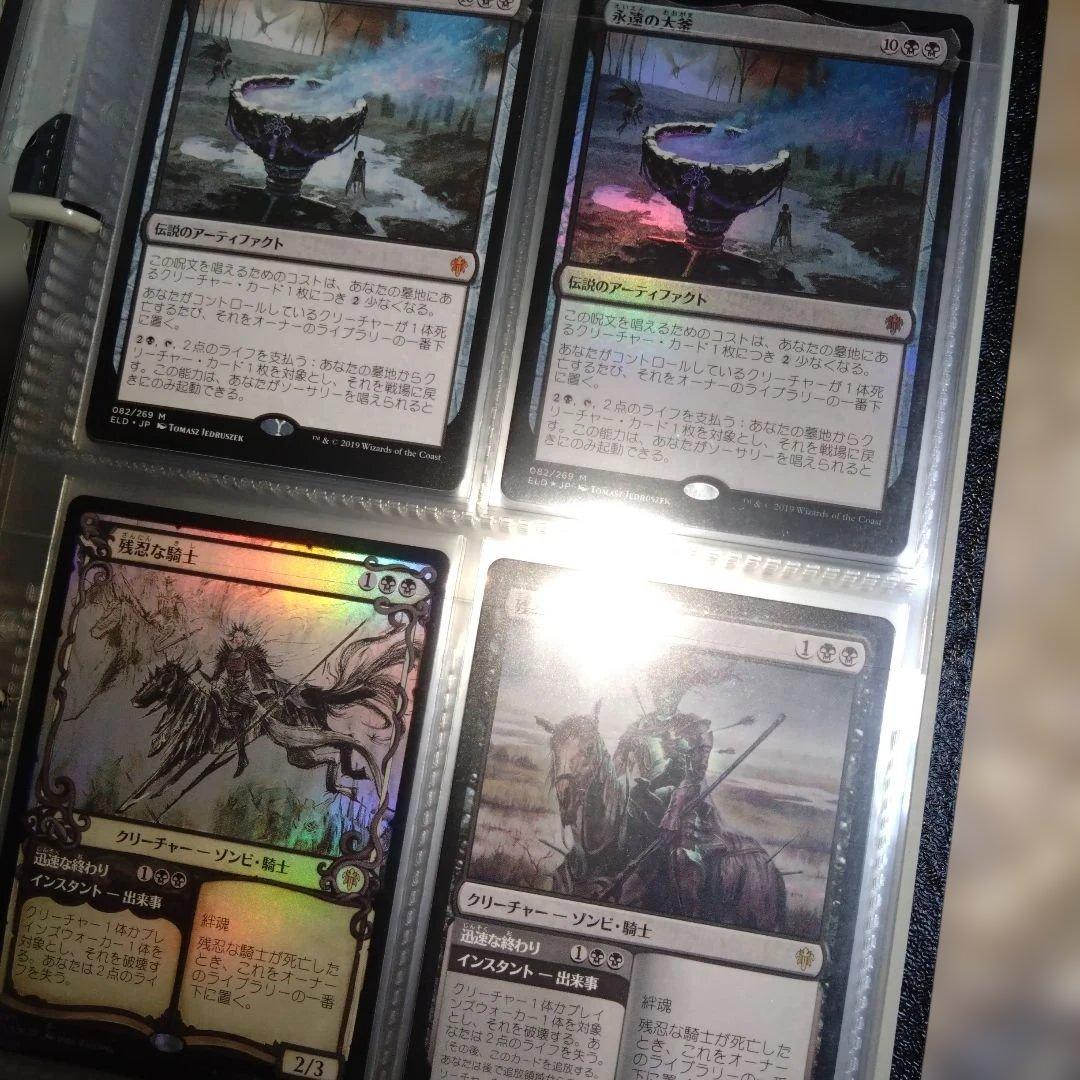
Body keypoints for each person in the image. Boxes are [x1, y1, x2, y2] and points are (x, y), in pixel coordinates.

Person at [202, 624, 277, 777]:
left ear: (245, 639)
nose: (238, 639)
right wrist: (214, 680)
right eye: (236, 637)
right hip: (228, 689)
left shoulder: (249, 653)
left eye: (241, 637)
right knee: (212, 706)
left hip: (242, 690)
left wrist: (270, 675)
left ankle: (242, 757)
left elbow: (264, 667)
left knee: (235, 715)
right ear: (232, 638)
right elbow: (217, 673)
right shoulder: (226, 655)